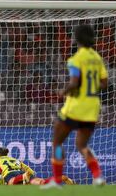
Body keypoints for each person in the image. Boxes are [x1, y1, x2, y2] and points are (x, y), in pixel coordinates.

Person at [42, 25, 108, 188]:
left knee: (57, 142)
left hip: (75, 107)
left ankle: (57, 180)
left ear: (76, 39)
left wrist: (62, 92)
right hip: (92, 108)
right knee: (82, 145)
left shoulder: (75, 59)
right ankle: (98, 176)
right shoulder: (97, 58)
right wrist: (89, 89)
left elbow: (74, 83)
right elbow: (105, 83)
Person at [0, 147, 74, 185]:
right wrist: (32, 175)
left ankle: (23, 177)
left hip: (10, 174)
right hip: (21, 172)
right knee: (41, 182)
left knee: (10, 183)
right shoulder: (15, 159)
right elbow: (28, 169)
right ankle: (61, 178)